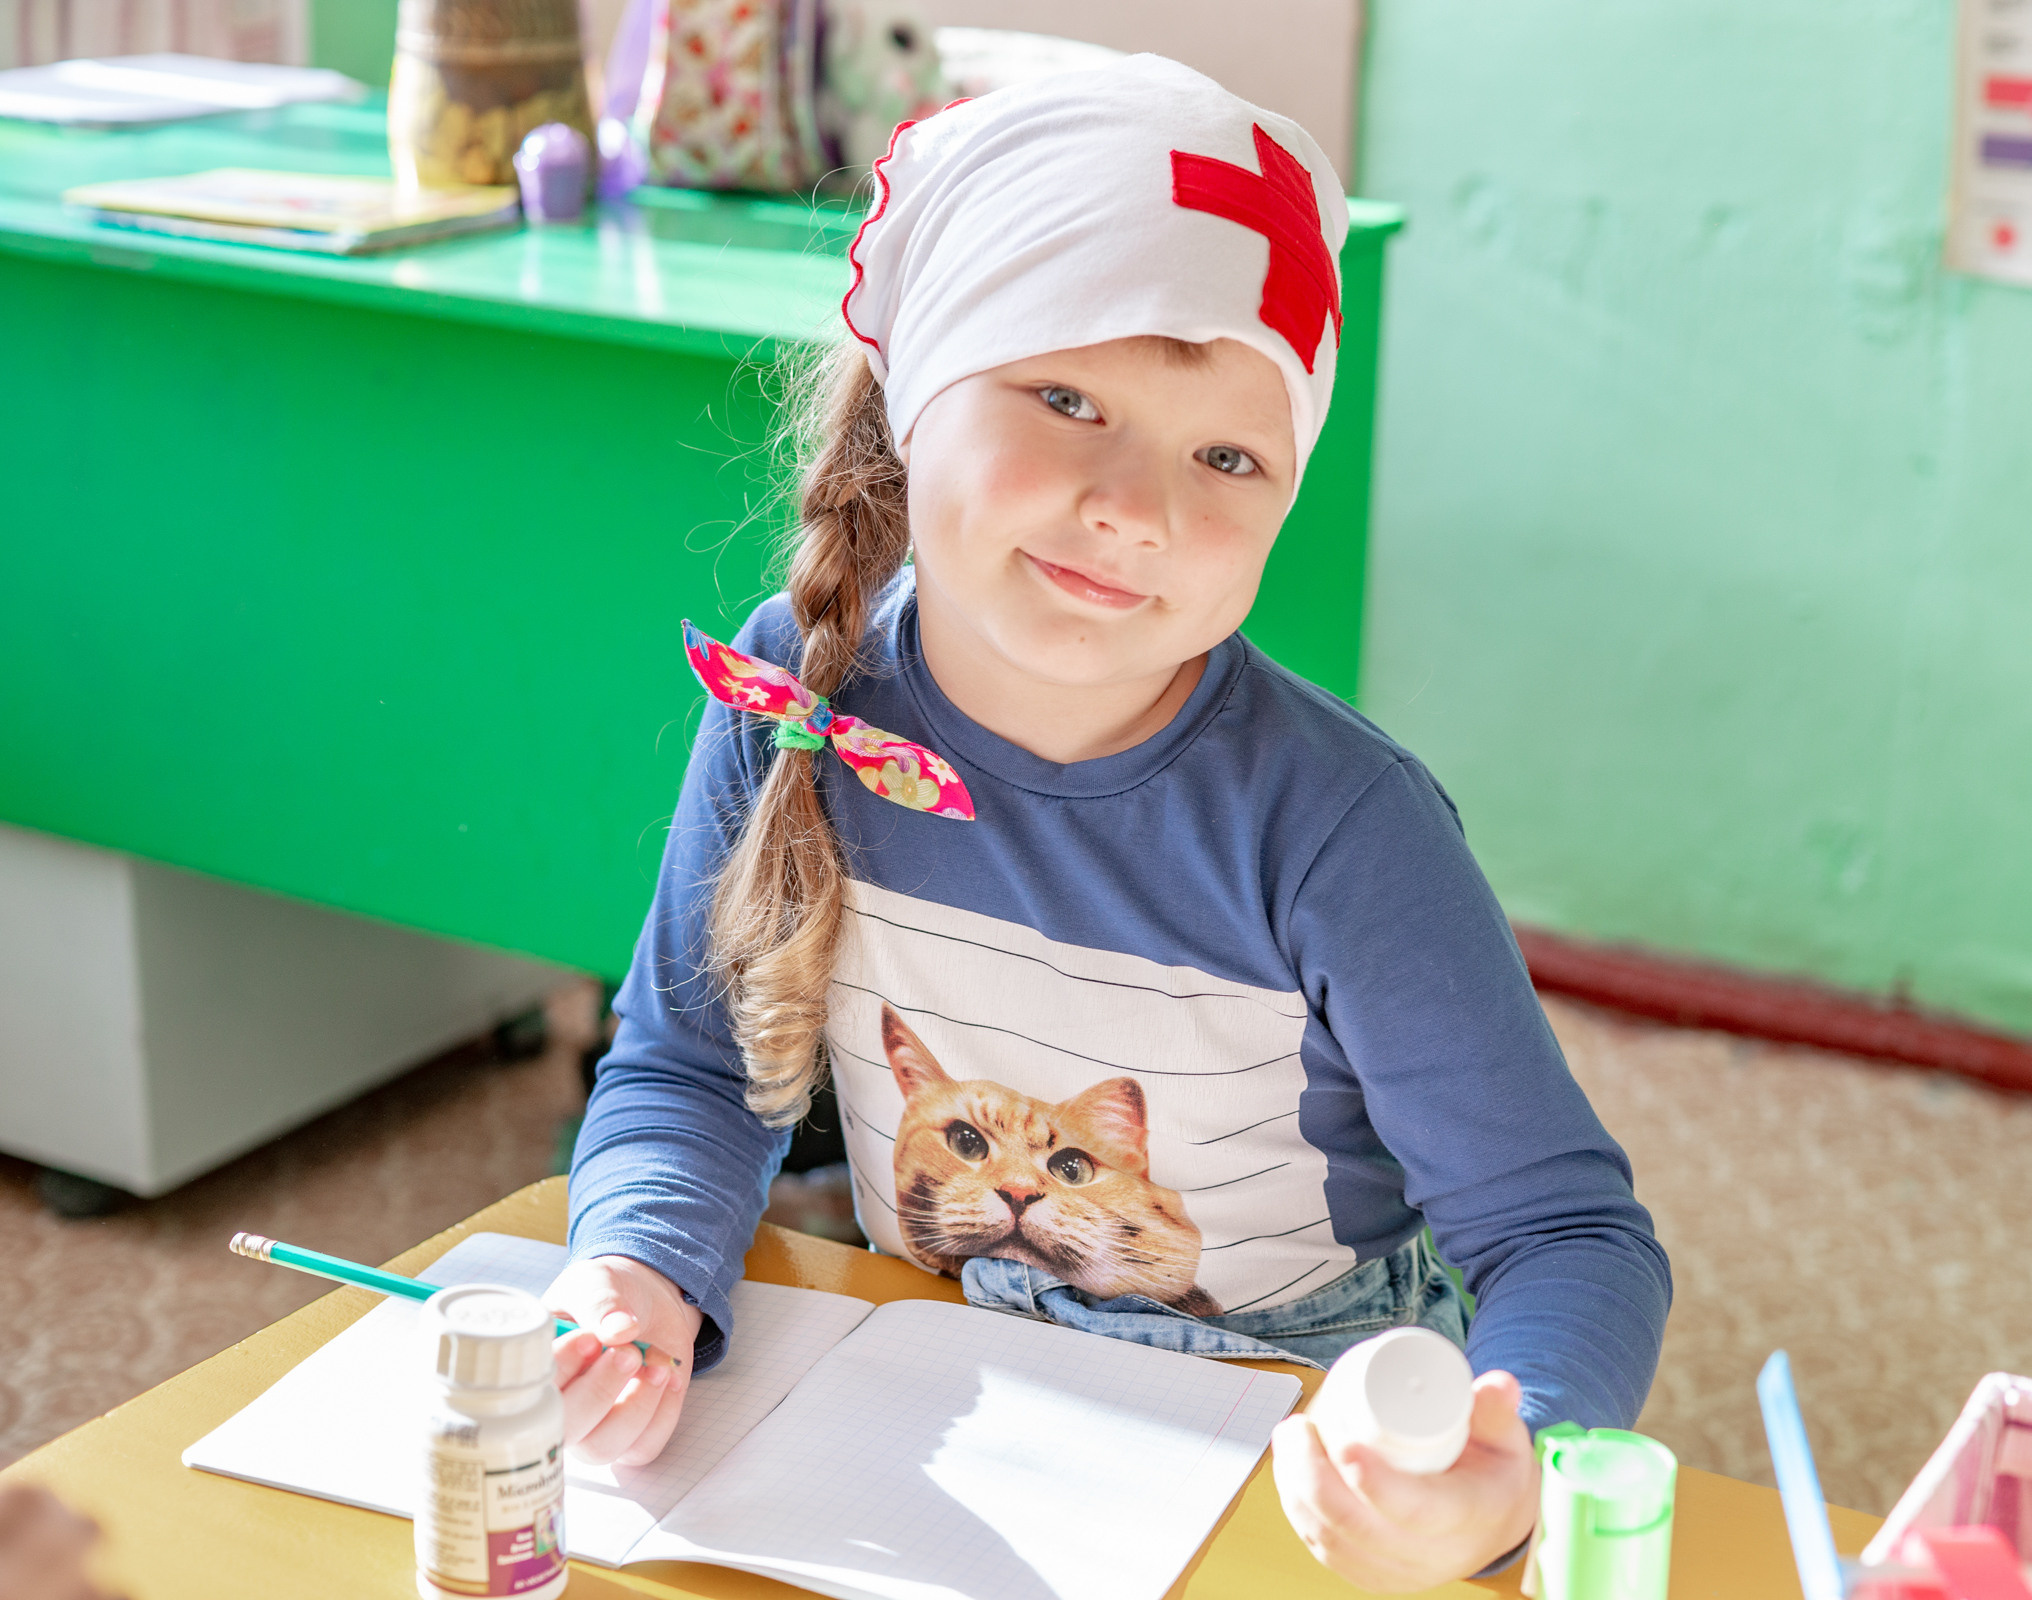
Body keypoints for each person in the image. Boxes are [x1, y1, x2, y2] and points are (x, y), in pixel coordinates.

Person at [545, 53, 1671, 1589]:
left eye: (1226, 456)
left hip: (1293, 1470)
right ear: (915, 399)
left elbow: (1566, 1239)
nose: (1136, 509)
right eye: (1067, 399)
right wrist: (635, 1275)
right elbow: (688, 1071)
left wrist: (1503, 1477)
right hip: (946, 1407)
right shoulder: (791, 692)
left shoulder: (1347, 830)